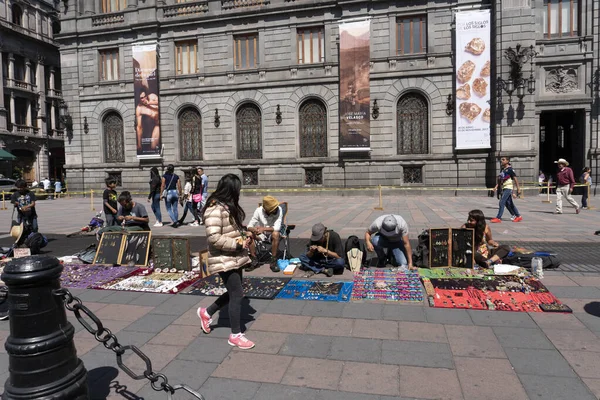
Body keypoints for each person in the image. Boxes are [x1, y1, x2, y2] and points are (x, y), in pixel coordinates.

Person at [197, 174, 255, 350]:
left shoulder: (225, 207)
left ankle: (206, 313)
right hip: (224, 257)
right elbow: (214, 237)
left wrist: (245, 235)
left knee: (233, 292)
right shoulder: (215, 209)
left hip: (234, 256)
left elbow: (230, 230)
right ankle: (235, 335)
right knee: (237, 294)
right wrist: (237, 243)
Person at [247, 195, 283, 272]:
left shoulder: (279, 210)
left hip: (272, 234)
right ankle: (254, 259)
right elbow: (249, 225)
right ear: (267, 209)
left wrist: (264, 229)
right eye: (273, 208)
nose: (276, 209)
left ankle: (273, 260)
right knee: (249, 233)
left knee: (276, 234)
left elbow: (277, 227)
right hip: (261, 235)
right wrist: (254, 230)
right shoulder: (258, 211)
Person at [491, 157, 522, 223]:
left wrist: (518, 189)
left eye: (503, 159)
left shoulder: (510, 170)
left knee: (502, 202)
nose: (501, 161)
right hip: (504, 187)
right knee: (509, 204)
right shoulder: (503, 170)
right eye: (501, 159)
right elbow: (501, 180)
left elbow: (515, 179)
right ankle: (518, 216)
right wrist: (496, 187)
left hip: (508, 188)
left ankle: (498, 218)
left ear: (507, 161)